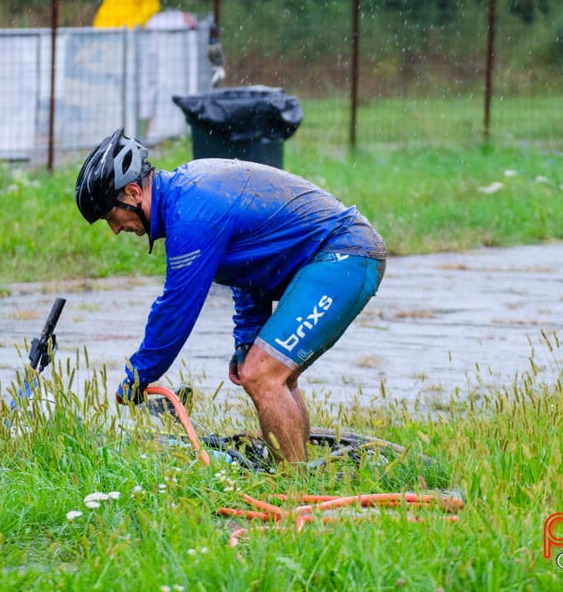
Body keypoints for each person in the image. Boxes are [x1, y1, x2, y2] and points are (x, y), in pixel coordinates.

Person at [74, 129, 387, 465]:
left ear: (134, 192)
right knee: (274, 372)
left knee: (263, 374)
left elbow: (176, 309)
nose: (116, 229)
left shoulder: (191, 214)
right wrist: (247, 337)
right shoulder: (187, 196)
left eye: (111, 217)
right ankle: (295, 477)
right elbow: (251, 265)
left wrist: (138, 375)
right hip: (339, 257)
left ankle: (294, 491)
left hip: (345, 255)